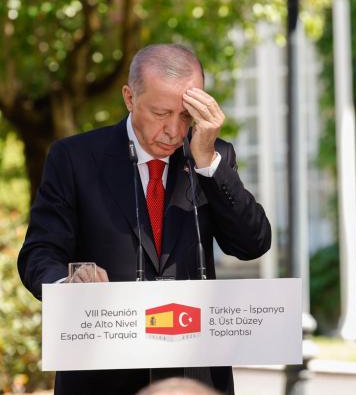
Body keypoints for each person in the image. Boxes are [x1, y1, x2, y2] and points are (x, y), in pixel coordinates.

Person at [18, 44, 272, 395]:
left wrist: (208, 164)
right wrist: (70, 288)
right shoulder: (74, 158)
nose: (173, 130)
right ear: (129, 98)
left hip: (192, 376)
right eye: (160, 113)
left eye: (185, 116)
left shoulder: (213, 155)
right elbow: (39, 253)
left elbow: (252, 244)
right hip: (101, 372)